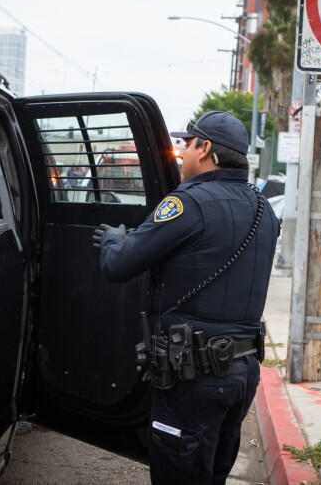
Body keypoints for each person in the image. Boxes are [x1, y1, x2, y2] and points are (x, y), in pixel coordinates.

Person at [92, 110, 280, 484]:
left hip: (193, 379)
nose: (181, 154)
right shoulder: (265, 209)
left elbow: (118, 266)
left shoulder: (186, 203)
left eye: (186, 145)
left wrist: (114, 239)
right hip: (242, 374)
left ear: (205, 148)